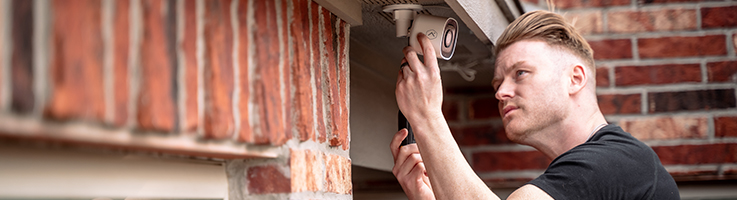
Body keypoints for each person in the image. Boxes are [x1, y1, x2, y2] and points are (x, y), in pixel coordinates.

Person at [390, 10, 680, 199]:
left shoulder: (617, 163)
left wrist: (427, 117)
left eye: (520, 73)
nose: (501, 92)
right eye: (497, 83)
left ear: (575, 79)